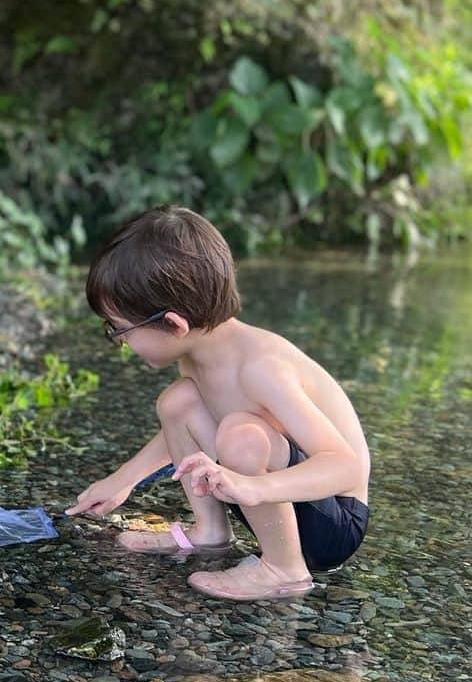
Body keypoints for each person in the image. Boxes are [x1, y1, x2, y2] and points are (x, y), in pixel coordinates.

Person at [66, 206, 369, 601]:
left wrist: (256, 488)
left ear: (174, 324)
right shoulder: (197, 354)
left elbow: (346, 468)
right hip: (272, 498)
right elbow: (180, 430)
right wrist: (121, 480)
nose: (120, 341)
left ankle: (285, 570)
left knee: (241, 433)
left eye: (119, 329)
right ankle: (210, 532)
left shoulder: (262, 367)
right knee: (178, 401)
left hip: (333, 525)